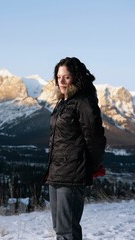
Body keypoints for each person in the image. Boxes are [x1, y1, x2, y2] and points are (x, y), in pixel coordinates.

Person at [44, 57, 106, 240]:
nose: (61, 81)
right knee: (60, 228)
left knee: (67, 231)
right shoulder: (63, 102)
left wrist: (91, 166)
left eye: (67, 77)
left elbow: (95, 138)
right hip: (56, 173)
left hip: (72, 174)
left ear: (76, 78)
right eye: (59, 77)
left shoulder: (83, 102)